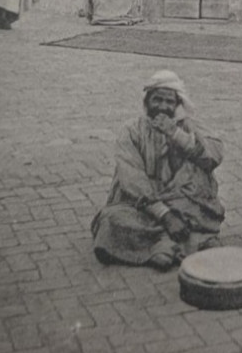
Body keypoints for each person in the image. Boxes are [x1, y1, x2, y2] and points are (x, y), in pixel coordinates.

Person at [91, 70, 225, 270]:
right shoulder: (131, 130)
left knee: (203, 210)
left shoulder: (187, 126)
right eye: (157, 100)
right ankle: (177, 243)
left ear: (177, 104)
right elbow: (131, 180)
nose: (162, 106)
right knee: (111, 220)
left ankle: (158, 245)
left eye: (169, 102)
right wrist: (165, 215)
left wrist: (176, 134)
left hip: (183, 202)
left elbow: (213, 156)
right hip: (142, 205)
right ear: (147, 101)